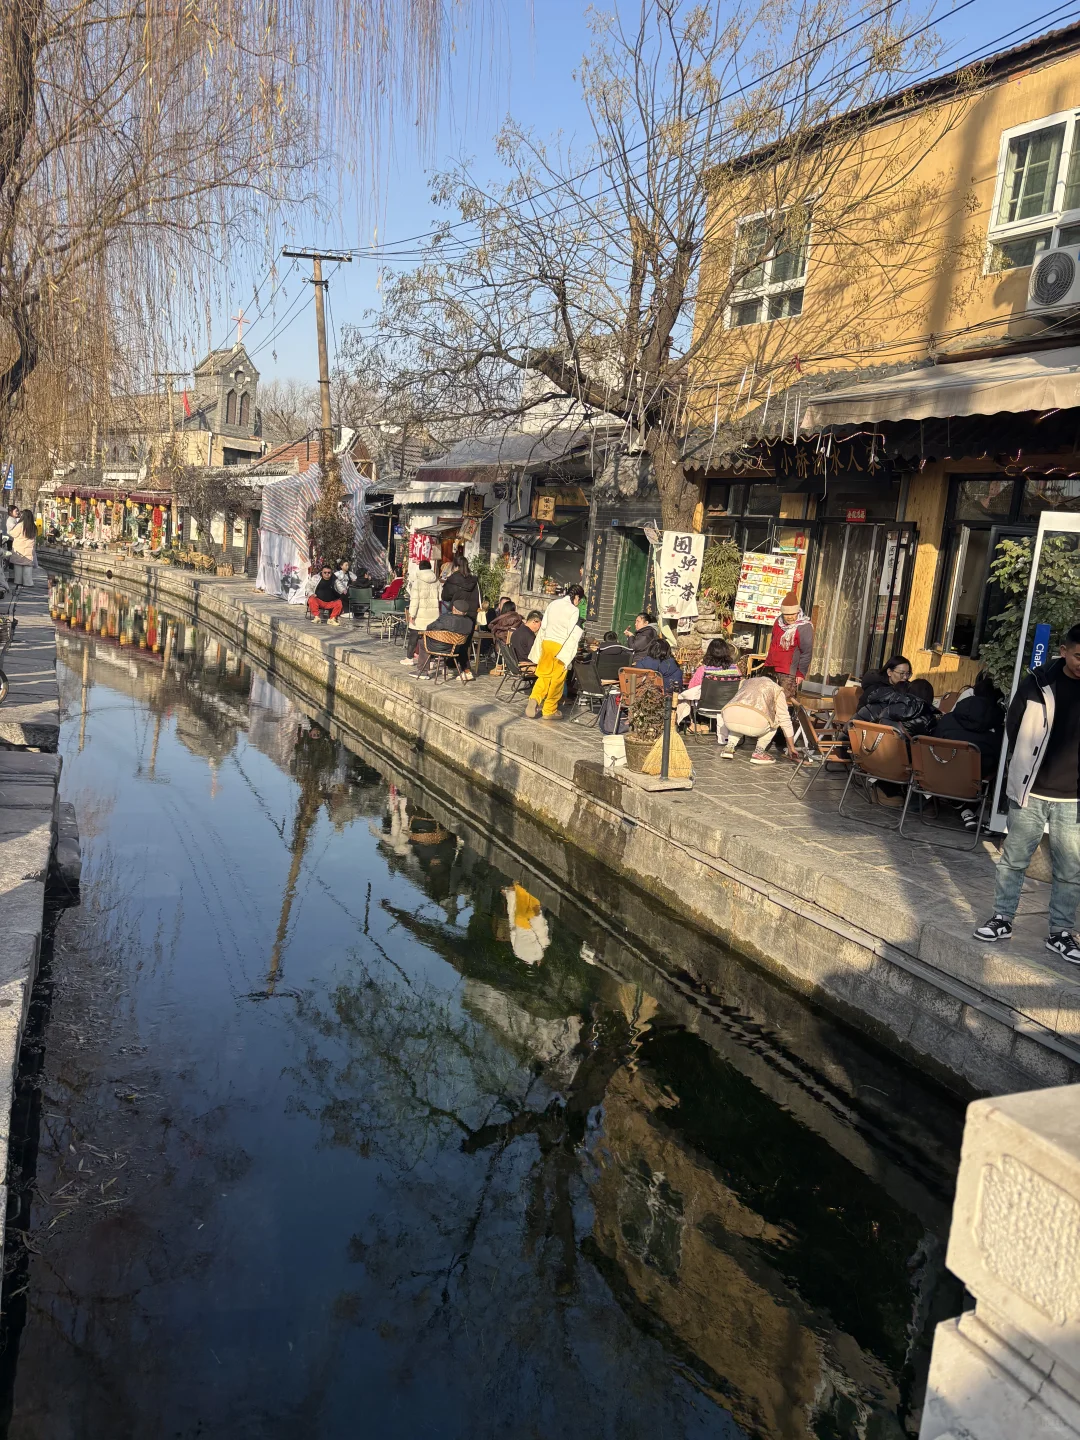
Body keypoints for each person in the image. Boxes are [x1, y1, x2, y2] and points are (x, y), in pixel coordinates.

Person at [975, 625, 1080, 961]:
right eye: (1079, 656)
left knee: (1070, 869)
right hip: (1031, 790)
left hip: (1073, 798)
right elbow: (1015, 725)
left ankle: (1061, 933)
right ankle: (1002, 918)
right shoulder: (1037, 683)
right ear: (1063, 651)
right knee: (1014, 860)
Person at [717, 666, 800, 765]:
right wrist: (791, 747)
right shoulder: (777, 689)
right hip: (755, 724)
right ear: (777, 679)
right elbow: (785, 719)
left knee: (741, 712)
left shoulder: (746, 682)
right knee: (776, 719)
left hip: (729, 717)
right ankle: (759, 753)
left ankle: (729, 747)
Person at [525, 585, 584, 720]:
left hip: (547, 643)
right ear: (576, 597)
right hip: (560, 646)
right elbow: (570, 632)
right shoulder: (574, 610)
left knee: (544, 675)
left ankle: (534, 698)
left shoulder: (553, 604)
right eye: (579, 600)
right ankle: (550, 709)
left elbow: (544, 626)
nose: (578, 603)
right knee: (557, 679)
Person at [678, 638, 741, 729]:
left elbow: (691, 687)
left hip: (706, 708)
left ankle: (694, 724)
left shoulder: (703, 670)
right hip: (729, 708)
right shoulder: (736, 669)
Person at [764, 591, 813, 698]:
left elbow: (806, 652)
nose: (790, 617)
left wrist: (801, 673)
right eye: (786, 614)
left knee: (784, 703)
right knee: (767, 700)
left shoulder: (804, 627)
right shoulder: (778, 621)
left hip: (788, 672)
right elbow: (773, 643)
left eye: (793, 614)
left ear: (798, 612)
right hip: (771, 668)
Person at [413, 600, 474, 680]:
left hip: (440, 647)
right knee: (462, 646)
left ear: (453, 609)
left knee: (422, 642)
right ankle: (466, 670)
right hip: (456, 649)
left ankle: (423, 671)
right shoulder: (469, 622)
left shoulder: (446, 618)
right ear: (465, 612)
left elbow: (430, 627)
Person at [401, 559, 440, 663]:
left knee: (413, 636)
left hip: (420, 615)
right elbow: (440, 597)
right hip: (433, 616)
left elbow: (415, 601)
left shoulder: (417, 582)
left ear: (420, 568)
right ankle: (430, 661)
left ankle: (409, 658)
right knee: (430, 639)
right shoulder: (437, 581)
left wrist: (411, 615)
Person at [441, 554, 481, 625]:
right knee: (468, 635)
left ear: (456, 567)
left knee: (454, 635)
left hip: (456, 614)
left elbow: (445, 597)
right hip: (471, 615)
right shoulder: (474, 581)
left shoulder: (452, 580)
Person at [10, 508, 36, 586]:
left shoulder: (20, 525)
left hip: (19, 549)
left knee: (18, 567)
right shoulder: (33, 526)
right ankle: (28, 583)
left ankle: (18, 581)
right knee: (27, 567)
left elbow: (13, 534)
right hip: (29, 550)